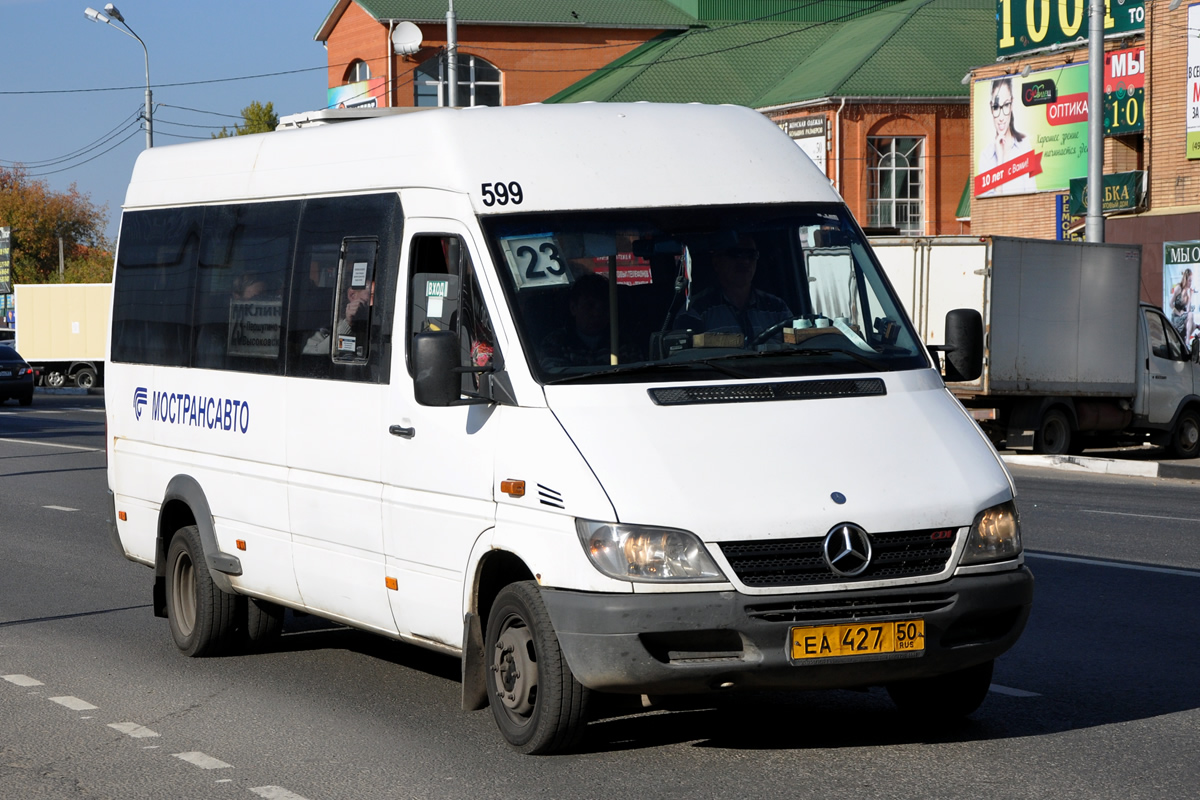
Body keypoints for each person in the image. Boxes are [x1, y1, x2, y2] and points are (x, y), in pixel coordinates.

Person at [674, 235, 792, 344]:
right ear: (716, 262)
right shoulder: (695, 311)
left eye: (751, 255)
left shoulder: (777, 308)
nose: (745, 262)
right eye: (735, 254)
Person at [539, 272, 634, 369]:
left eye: (604, 307)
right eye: (589, 306)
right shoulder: (555, 342)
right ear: (573, 308)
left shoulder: (622, 342)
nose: (597, 313)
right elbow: (555, 377)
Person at [978, 77, 1036, 197]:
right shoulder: (986, 157)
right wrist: (1000, 162)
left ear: (1012, 104)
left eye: (1005, 105)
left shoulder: (1025, 147)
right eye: (996, 107)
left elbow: (1032, 195)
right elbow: (988, 207)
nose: (1001, 117)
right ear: (991, 108)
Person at [1171, 268, 1194, 344]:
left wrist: (1190, 296)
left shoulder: (1187, 293)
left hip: (1182, 316)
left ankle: (1186, 340)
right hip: (1176, 317)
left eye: (1191, 281)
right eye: (1189, 280)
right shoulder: (1178, 288)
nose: (1190, 283)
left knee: (1193, 325)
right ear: (1186, 279)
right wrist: (1178, 313)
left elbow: (1188, 310)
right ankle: (1187, 341)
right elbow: (1170, 304)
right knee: (1190, 315)